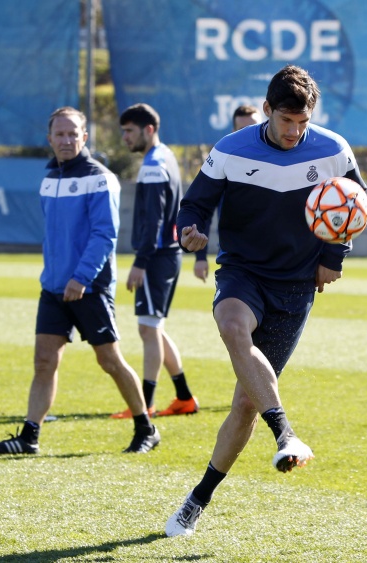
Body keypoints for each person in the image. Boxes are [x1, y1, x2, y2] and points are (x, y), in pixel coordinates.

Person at [165, 65, 367, 536]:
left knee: (243, 405)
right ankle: (287, 433)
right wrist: (189, 233)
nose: (296, 132)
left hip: (296, 285)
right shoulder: (230, 150)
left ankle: (198, 499)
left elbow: (355, 203)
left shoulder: (333, 148)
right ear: (267, 110)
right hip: (243, 271)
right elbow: (194, 205)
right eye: (287, 121)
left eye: (303, 122)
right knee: (233, 327)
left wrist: (335, 254)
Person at [0, 107, 160, 456]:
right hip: (53, 288)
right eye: (59, 134)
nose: (66, 140)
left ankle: (146, 428)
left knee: (109, 360)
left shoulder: (100, 178)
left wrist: (81, 277)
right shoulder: (50, 178)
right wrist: (58, 278)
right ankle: (29, 437)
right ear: (49, 139)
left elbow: (104, 234)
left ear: (84, 137)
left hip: (89, 287)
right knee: (44, 362)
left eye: (72, 134)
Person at [114, 103, 198, 419]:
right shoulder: (167, 157)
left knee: (148, 329)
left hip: (157, 255)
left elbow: (154, 219)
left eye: (129, 131)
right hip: (168, 254)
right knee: (155, 329)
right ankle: (184, 398)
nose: (125, 137)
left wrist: (141, 260)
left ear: (148, 130)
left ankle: (145, 405)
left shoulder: (152, 165)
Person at [193, 105, 263, 283]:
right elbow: (204, 209)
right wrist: (200, 257)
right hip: (236, 260)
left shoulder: (283, 162)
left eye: (253, 128)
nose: (248, 134)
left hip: (278, 261)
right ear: (233, 131)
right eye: (242, 130)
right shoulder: (223, 163)